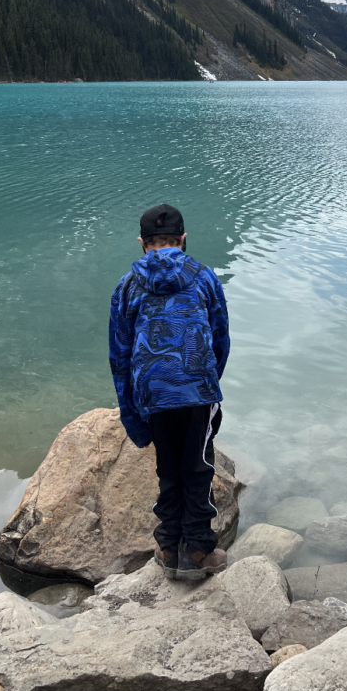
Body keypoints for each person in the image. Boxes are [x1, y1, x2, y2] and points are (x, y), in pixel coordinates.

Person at [109, 203, 230, 581]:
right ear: (183, 239)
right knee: (198, 465)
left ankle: (166, 545)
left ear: (142, 243)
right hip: (197, 390)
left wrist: (132, 415)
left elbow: (120, 354)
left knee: (168, 467)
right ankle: (198, 549)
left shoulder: (127, 285)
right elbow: (221, 338)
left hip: (153, 394)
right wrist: (207, 381)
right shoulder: (205, 278)